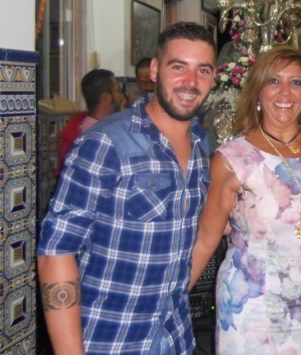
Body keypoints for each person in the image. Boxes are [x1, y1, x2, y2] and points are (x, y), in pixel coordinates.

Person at [37, 21, 217, 354]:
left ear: (214, 77)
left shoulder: (200, 144)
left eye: (202, 70)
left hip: (175, 337)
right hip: (111, 341)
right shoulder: (105, 143)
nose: (191, 82)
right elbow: (56, 253)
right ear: (155, 70)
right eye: (178, 67)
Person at [189, 45, 301, 354]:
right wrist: (172, 298)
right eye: (273, 81)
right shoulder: (233, 158)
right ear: (258, 92)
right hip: (253, 311)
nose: (285, 92)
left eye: (295, 82)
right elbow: (206, 238)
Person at [53, 68, 123, 178]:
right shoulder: (98, 137)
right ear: (106, 98)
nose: (121, 96)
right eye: (118, 90)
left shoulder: (82, 126)